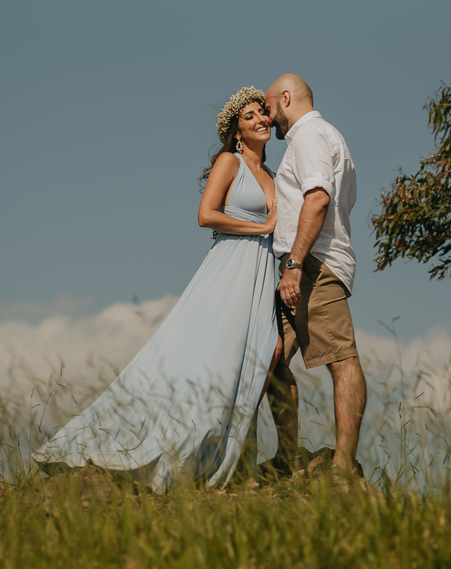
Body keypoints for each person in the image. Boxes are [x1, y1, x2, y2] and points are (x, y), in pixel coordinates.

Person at [32, 87, 282, 491]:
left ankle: (236, 462)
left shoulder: (271, 175)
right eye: (250, 116)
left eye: (262, 114)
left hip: (259, 273)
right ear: (237, 131)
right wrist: (261, 227)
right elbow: (206, 215)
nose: (260, 120)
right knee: (214, 361)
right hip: (229, 269)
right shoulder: (229, 162)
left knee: (255, 360)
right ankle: (168, 452)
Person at [263, 73, 366, 475]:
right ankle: (287, 457)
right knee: (268, 360)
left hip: (313, 266)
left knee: (341, 360)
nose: (269, 120)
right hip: (305, 266)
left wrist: (292, 265)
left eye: (270, 108)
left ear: (286, 98)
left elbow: (319, 198)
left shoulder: (309, 136)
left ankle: (342, 465)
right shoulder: (324, 137)